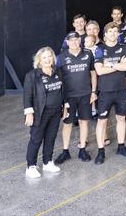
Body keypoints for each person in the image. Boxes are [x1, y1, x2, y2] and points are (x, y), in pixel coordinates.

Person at [93, 22, 126, 164]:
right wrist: (118, 65)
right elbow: (99, 70)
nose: (113, 34)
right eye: (110, 31)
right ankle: (100, 151)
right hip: (105, 92)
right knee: (102, 121)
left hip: (121, 91)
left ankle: (121, 147)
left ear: (118, 34)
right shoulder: (99, 49)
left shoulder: (124, 48)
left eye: (115, 31)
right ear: (105, 34)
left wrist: (109, 64)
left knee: (121, 119)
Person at [23, 47, 66, 178]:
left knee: (51, 137)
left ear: (53, 58)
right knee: (36, 139)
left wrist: (65, 107)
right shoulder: (32, 75)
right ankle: (31, 166)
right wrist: (29, 113)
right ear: (39, 60)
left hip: (56, 111)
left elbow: (63, 91)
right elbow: (27, 96)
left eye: (49, 56)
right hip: (40, 113)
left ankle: (47, 162)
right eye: (44, 57)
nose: (47, 59)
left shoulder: (58, 72)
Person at [54, 33, 97, 164]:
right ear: (67, 42)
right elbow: (57, 80)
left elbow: (93, 74)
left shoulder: (88, 54)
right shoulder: (61, 57)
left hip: (85, 95)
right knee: (67, 124)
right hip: (69, 97)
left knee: (84, 122)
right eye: (71, 40)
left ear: (80, 40)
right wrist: (61, 100)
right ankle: (65, 151)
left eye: (76, 40)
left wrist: (94, 92)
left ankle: (82, 149)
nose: (73, 42)